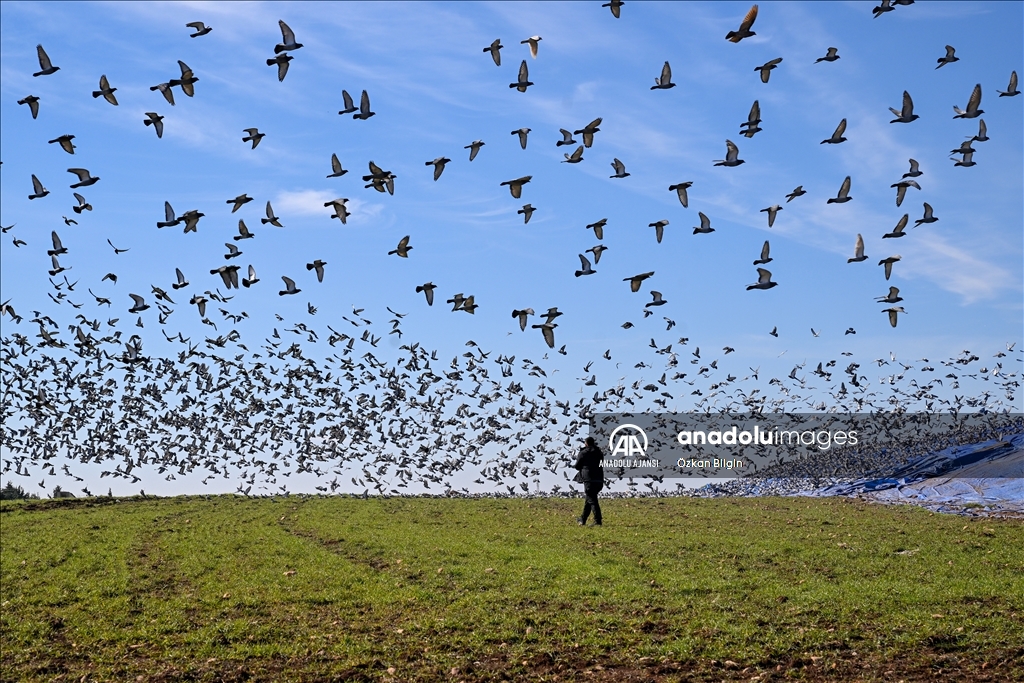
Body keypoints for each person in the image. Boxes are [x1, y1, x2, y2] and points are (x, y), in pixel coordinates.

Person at [573, 436, 605, 526]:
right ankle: (583, 519)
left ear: (586, 443)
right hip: (599, 479)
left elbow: (577, 466)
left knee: (592, 500)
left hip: (589, 479)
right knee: (589, 499)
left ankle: (598, 521)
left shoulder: (583, 453)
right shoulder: (599, 453)